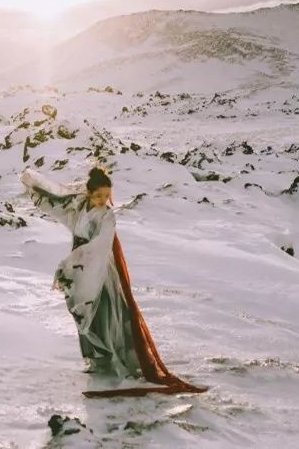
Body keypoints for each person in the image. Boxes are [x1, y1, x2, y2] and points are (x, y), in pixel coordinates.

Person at [25, 160, 204, 395]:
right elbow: (60, 206)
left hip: (99, 267)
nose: (102, 201)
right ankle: (97, 359)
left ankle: (114, 359)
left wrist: (73, 261)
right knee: (82, 313)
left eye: (106, 196)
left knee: (106, 312)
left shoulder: (107, 216)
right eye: (98, 195)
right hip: (81, 265)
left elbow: (100, 245)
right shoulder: (79, 206)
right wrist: (35, 188)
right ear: (88, 193)